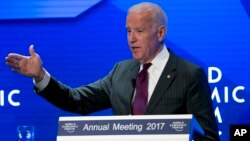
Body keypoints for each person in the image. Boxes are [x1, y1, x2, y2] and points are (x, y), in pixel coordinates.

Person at [5, 2, 219, 141]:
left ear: (160, 32)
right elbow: (77, 100)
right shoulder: (121, 71)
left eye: (139, 31)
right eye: (128, 31)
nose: (131, 38)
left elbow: (209, 138)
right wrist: (40, 76)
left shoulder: (189, 74)